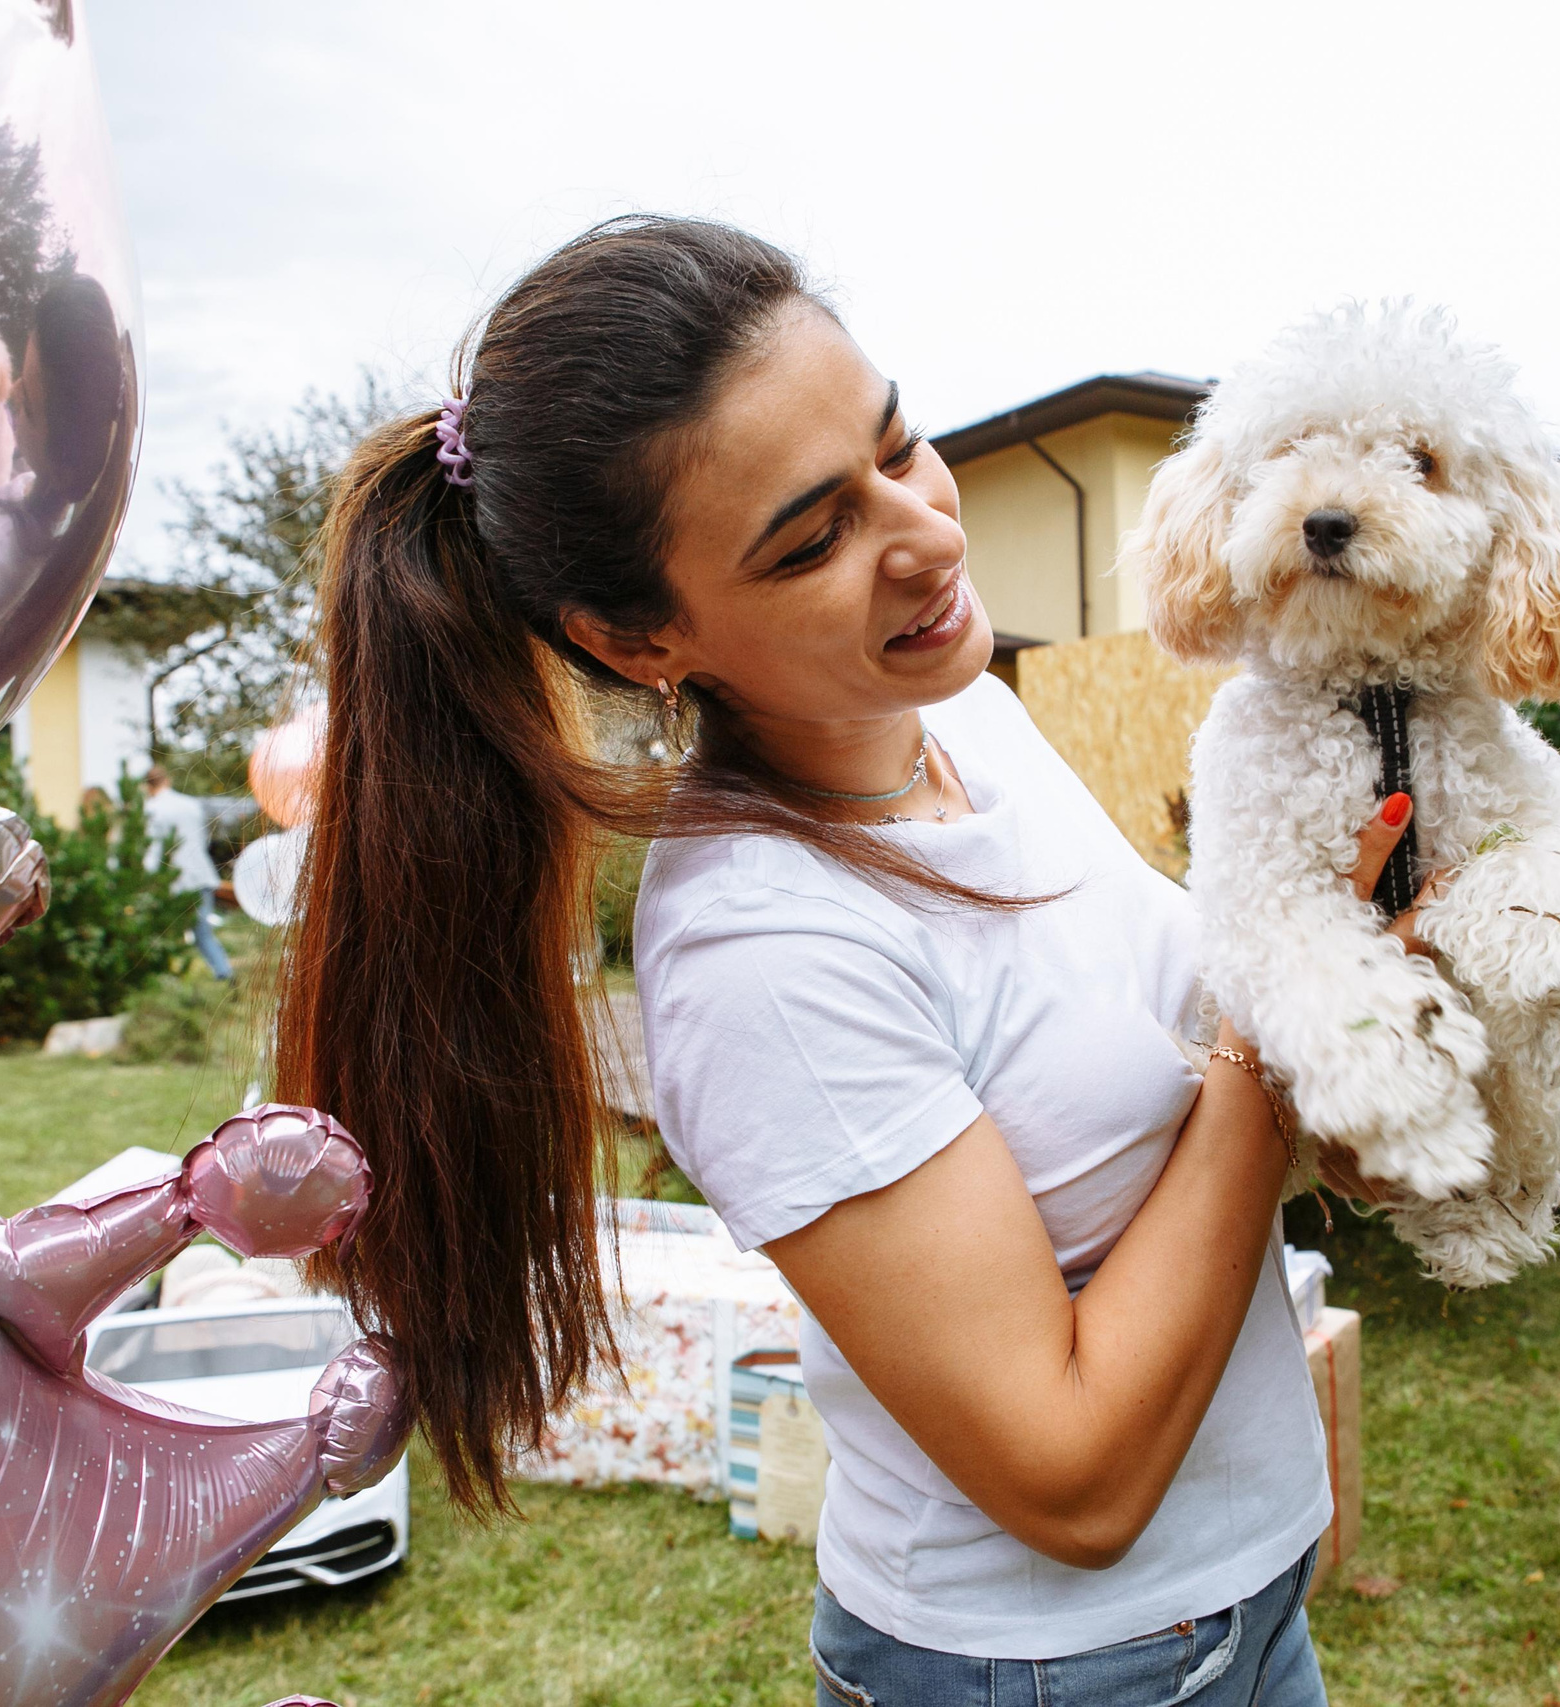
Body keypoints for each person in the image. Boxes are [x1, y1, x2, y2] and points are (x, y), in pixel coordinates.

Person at [278, 217, 1427, 1701]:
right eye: (816, 536)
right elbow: (1071, 1478)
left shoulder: (970, 723)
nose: (932, 531)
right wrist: (1292, 1001)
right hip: (1063, 1667)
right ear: (638, 637)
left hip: (1243, 1598)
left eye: (903, 442)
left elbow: (1162, 1106)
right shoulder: (764, 947)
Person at [142, 763, 231, 981]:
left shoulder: (152, 809)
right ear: (167, 781)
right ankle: (225, 974)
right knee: (203, 933)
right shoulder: (191, 805)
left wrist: (146, 880)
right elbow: (203, 841)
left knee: (167, 936)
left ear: (147, 786)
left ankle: (172, 981)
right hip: (201, 875)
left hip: (174, 881)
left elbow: (152, 850)